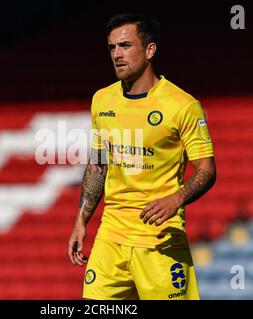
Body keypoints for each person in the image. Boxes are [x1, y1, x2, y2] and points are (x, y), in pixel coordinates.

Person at [68, 13, 216, 300]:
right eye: (112, 48)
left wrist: (177, 199)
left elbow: (207, 170)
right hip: (111, 236)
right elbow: (98, 164)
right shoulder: (102, 100)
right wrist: (81, 219)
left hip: (159, 238)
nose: (117, 55)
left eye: (125, 46)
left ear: (150, 50)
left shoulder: (183, 106)